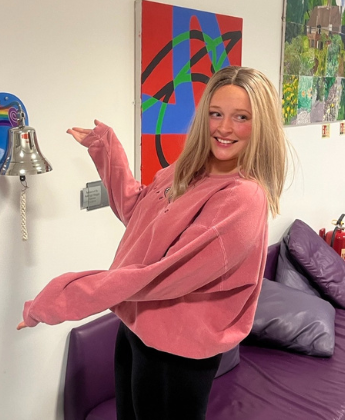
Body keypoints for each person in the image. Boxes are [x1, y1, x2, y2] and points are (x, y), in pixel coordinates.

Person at [16, 66, 287, 420]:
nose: (224, 127)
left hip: (178, 354)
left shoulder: (243, 198)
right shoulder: (186, 171)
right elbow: (139, 214)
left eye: (241, 117)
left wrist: (58, 300)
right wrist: (107, 149)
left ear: (261, 126)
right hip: (136, 329)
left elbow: (161, 274)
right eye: (216, 114)